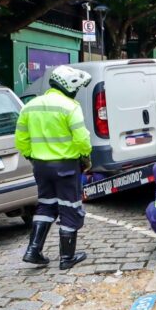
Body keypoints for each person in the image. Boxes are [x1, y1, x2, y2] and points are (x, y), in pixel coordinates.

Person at [15, 65, 93, 270]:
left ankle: (33, 250)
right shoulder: (70, 106)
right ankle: (67, 258)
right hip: (66, 166)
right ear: (69, 86)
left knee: (46, 205)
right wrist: (85, 157)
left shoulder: (30, 106)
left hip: (40, 166)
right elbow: (82, 139)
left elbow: (21, 139)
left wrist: (33, 157)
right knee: (70, 207)